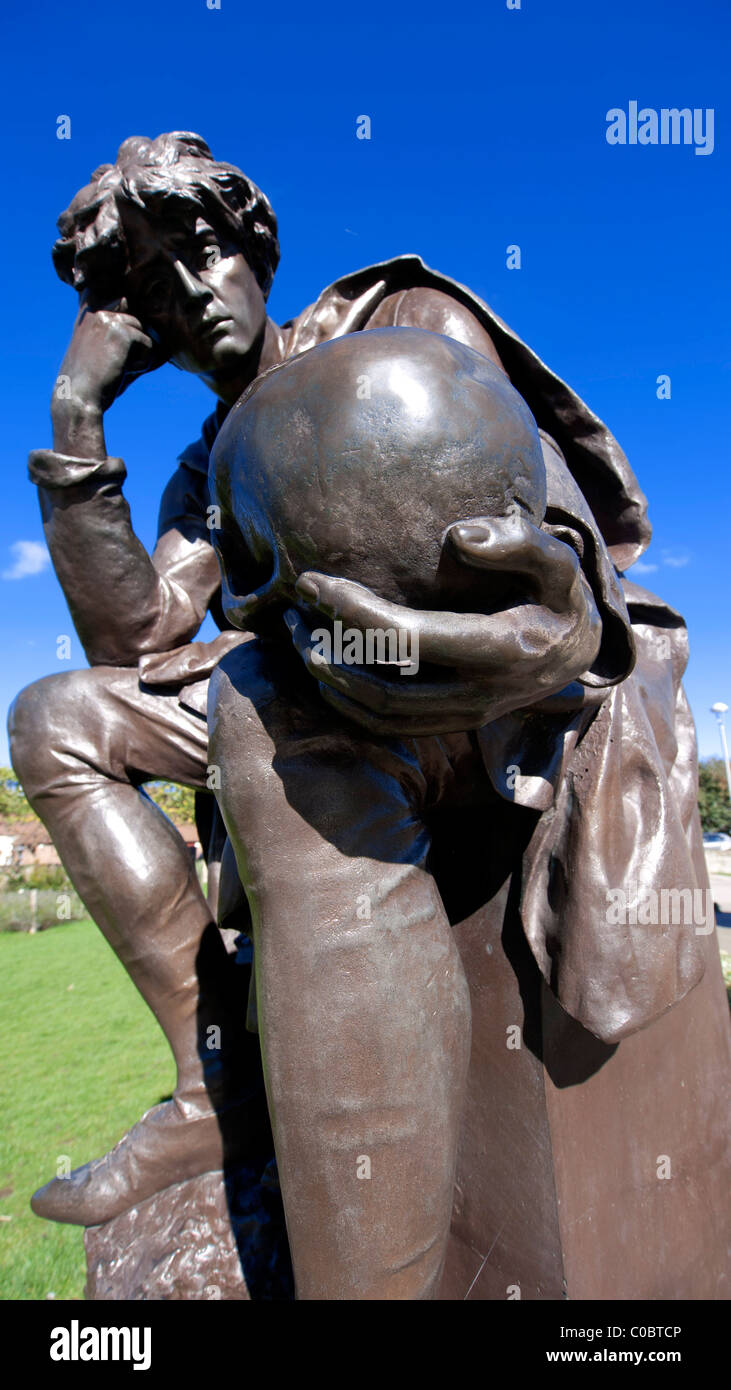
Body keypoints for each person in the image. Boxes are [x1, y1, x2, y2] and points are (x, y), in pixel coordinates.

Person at [9, 129, 694, 1239]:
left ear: (253, 245)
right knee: (54, 721)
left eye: (201, 253)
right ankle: (217, 1086)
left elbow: (558, 549)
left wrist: (543, 631)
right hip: (325, 700)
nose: (192, 297)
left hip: (491, 710)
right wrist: (76, 425)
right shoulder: (209, 467)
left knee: (263, 709)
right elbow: (130, 641)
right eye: (152, 293)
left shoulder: (402, 326)